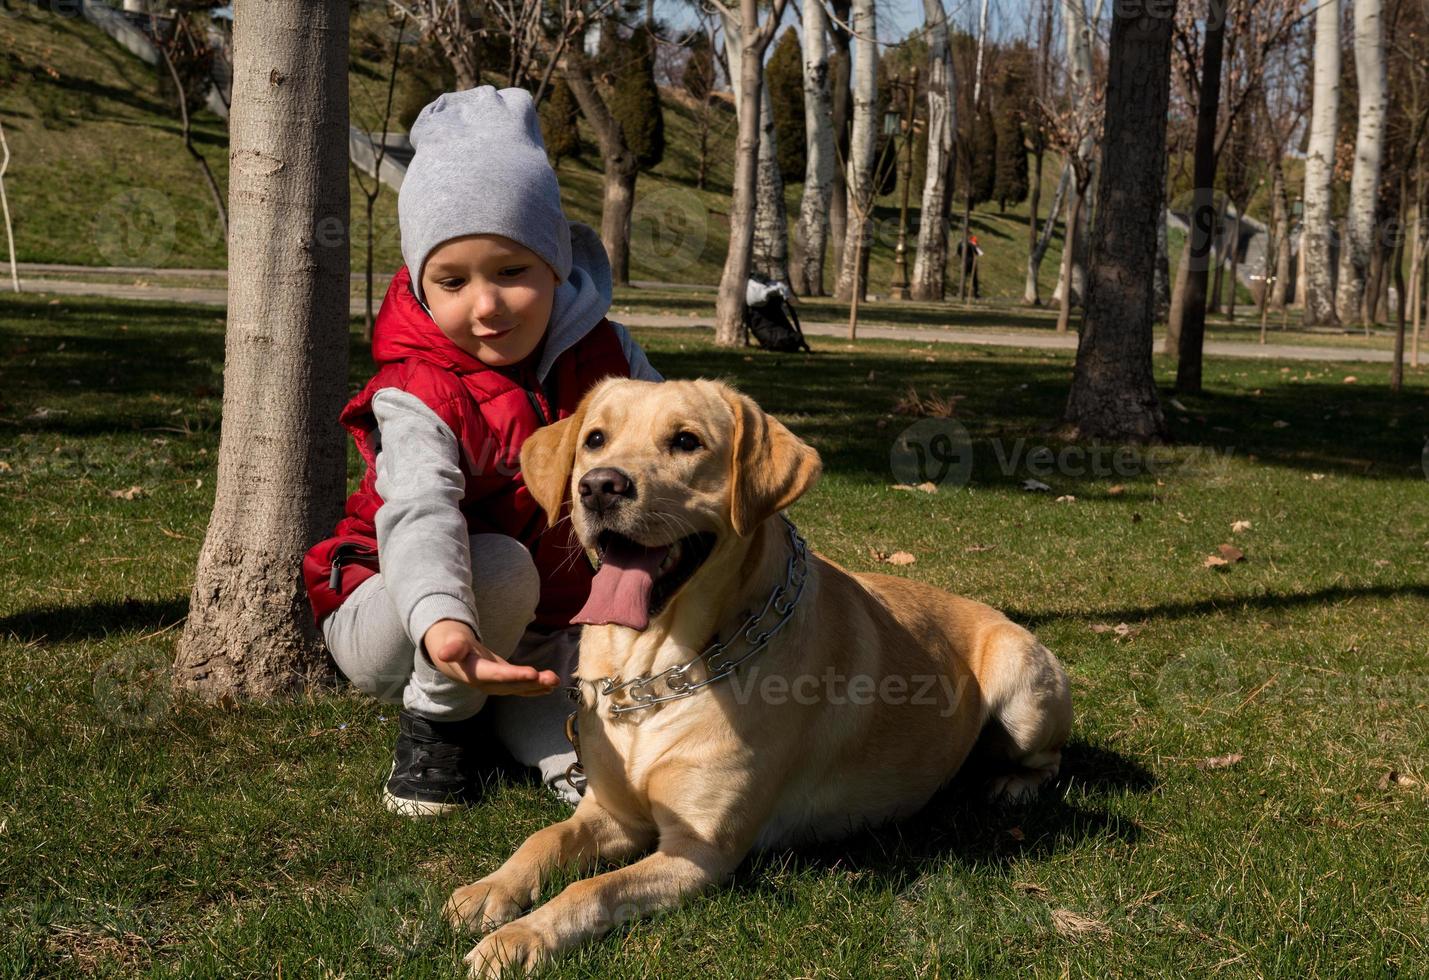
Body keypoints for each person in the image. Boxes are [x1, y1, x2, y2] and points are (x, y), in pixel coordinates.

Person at [302, 87, 662, 817]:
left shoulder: (608, 355)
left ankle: (538, 728)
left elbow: (671, 456)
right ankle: (438, 724)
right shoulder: (415, 389)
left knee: (587, 735)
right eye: (453, 281)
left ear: (556, 264)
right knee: (497, 564)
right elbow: (420, 514)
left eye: (510, 271)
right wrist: (442, 624)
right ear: (421, 287)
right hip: (398, 607)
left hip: (543, 624)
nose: (487, 305)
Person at [956, 233, 984, 299]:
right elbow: (979, 253)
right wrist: (976, 245)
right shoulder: (971, 244)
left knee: (963, 278)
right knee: (974, 279)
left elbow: (958, 252)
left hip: (964, 262)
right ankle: (976, 293)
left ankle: (960, 292)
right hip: (971, 262)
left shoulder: (960, 243)